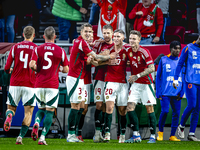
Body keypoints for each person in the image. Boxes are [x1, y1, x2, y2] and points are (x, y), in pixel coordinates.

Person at [66, 23, 116, 142]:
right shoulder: (81, 42)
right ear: (81, 32)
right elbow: (95, 59)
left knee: (82, 107)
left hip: (83, 79)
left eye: (90, 32)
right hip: (76, 77)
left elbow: (91, 60)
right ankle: (71, 134)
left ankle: (75, 134)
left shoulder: (86, 44)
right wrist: (108, 57)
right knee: (76, 106)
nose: (88, 34)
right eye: (86, 32)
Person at [29, 26, 69, 145]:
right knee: (50, 111)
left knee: (40, 109)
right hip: (52, 85)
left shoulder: (38, 49)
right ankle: (42, 138)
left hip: (39, 84)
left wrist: (38, 69)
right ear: (55, 37)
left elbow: (31, 65)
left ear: (44, 37)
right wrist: (60, 68)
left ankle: (36, 122)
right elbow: (66, 69)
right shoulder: (60, 50)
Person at [4, 26, 37, 144]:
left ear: (23, 35)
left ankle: (9, 116)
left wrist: (10, 70)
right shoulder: (36, 48)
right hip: (30, 84)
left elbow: (6, 67)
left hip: (15, 83)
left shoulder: (15, 47)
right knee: (28, 112)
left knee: (11, 108)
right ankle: (20, 137)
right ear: (34, 35)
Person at [124, 30, 156, 143]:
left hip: (146, 84)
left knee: (149, 108)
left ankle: (153, 136)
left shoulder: (144, 51)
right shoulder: (128, 50)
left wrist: (137, 75)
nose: (131, 41)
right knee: (130, 107)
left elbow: (152, 68)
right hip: (136, 85)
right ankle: (136, 135)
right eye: (130, 38)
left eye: (134, 39)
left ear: (139, 39)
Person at [102, 29, 128, 143]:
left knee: (122, 110)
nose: (116, 38)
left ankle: (122, 134)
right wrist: (107, 60)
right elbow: (96, 61)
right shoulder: (108, 50)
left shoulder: (127, 51)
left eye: (118, 36)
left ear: (123, 38)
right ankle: (107, 134)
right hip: (110, 82)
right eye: (115, 36)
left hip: (122, 83)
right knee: (109, 108)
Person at [173, 36, 200, 141]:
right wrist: (175, 79)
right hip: (189, 80)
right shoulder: (188, 48)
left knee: (197, 108)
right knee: (192, 105)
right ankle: (182, 126)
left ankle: (192, 134)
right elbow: (179, 64)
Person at [156, 41, 183, 141]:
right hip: (165, 92)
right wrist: (158, 91)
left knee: (176, 113)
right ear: (170, 49)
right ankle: (160, 133)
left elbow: (184, 77)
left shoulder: (181, 61)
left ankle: (172, 135)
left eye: (179, 48)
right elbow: (158, 77)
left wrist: (182, 91)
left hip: (177, 93)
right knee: (165, 111)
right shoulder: (163, 60)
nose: (177, 50)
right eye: (175, 48)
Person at [92, 24, 114, 143]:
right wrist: (106, 58)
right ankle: (97, 132)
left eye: (107, 33)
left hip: (111, 78)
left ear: (112, 34)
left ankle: (106, 132)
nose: (105, 35)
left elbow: (115, 61)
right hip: (99, 77)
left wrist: (103, 59)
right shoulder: (98, 44)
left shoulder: (116, 45)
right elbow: (93, 61)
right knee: (99, 105)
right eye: (104, 33)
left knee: (108, 106)